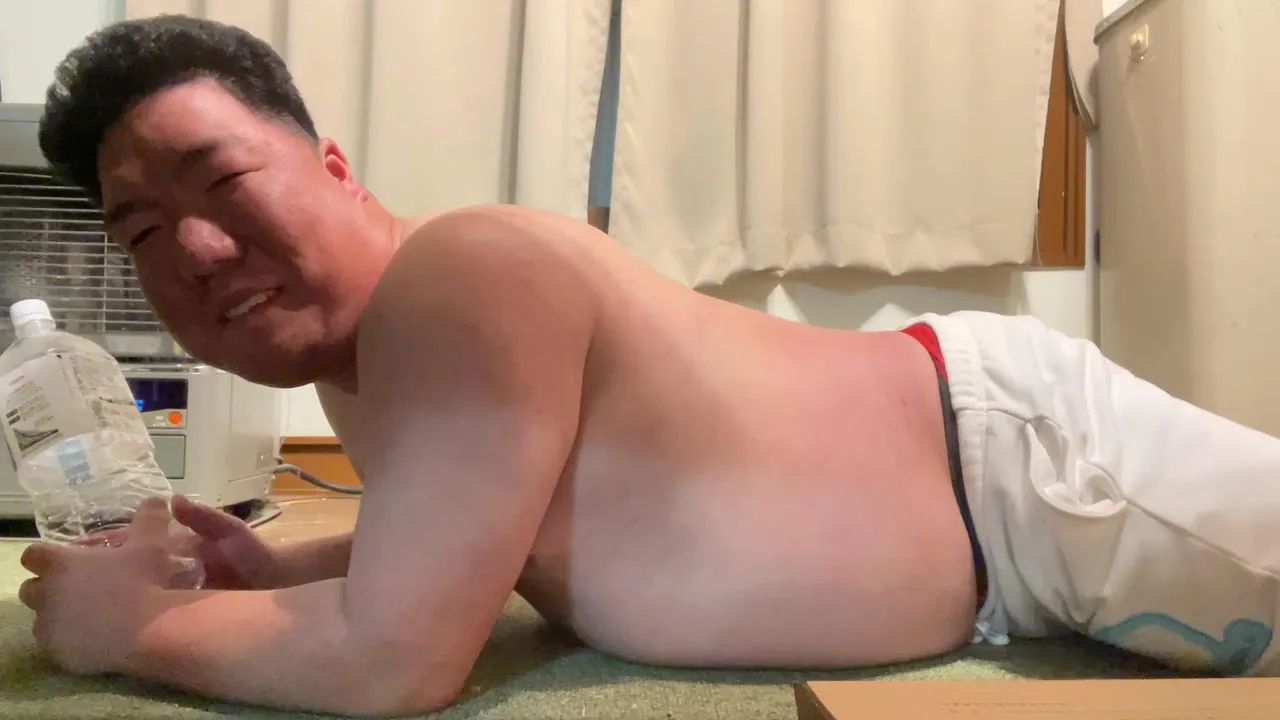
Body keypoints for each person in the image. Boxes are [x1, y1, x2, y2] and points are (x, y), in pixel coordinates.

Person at [14, 13, 1280, 718]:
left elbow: (392, 662)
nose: (193, 247)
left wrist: (134, 627)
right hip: (997, 521)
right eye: (140, 231)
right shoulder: (372, 356)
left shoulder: (458, 274)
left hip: (1021, 467)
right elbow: (494, 526)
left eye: (223, 179)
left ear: (335, 169)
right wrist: (285, 568)